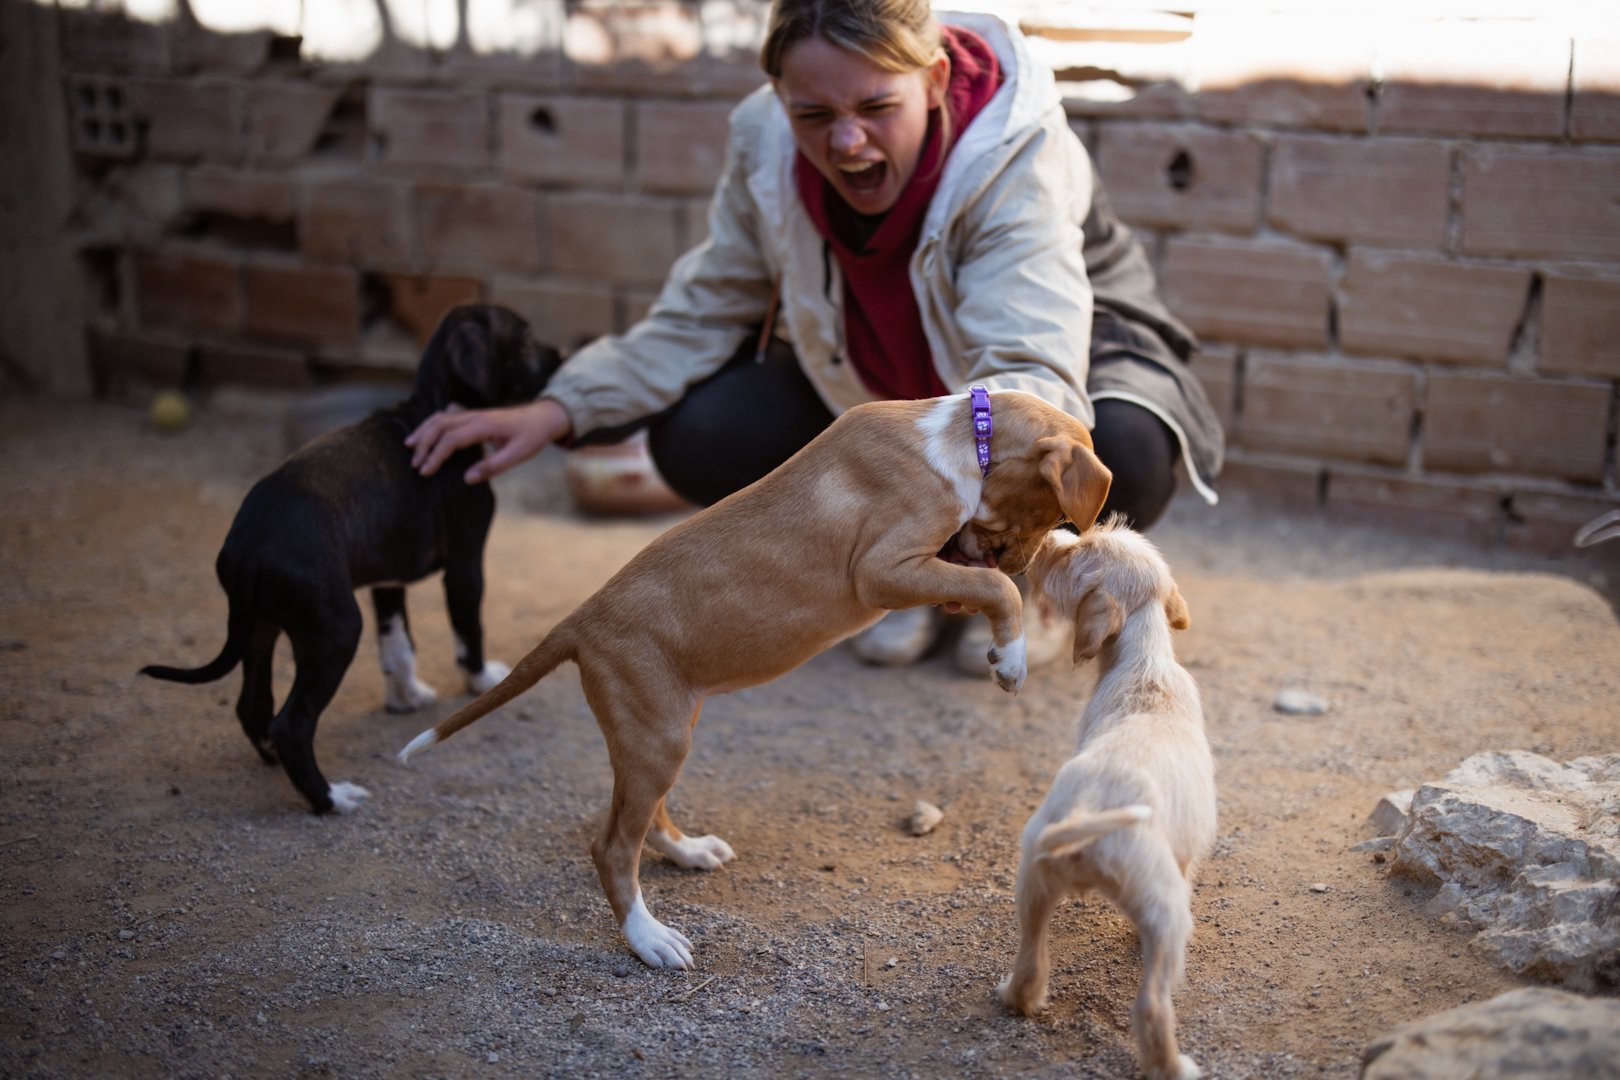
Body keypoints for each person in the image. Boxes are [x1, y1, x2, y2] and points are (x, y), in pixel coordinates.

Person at [407, 0, 1223, 673]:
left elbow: (1028, 361)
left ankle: (1027, 578)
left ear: (935, 80)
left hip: (1062, 364)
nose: (845, 142)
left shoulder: (1016, 152)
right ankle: (901, 568)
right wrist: (559, 407)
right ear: (778, 101)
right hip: (880, 378)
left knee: (1121, 454)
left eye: (876, 108)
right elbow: (704, 309)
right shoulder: (765, 146)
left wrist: (989, 499)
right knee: (699, 433)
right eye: (813, 114)